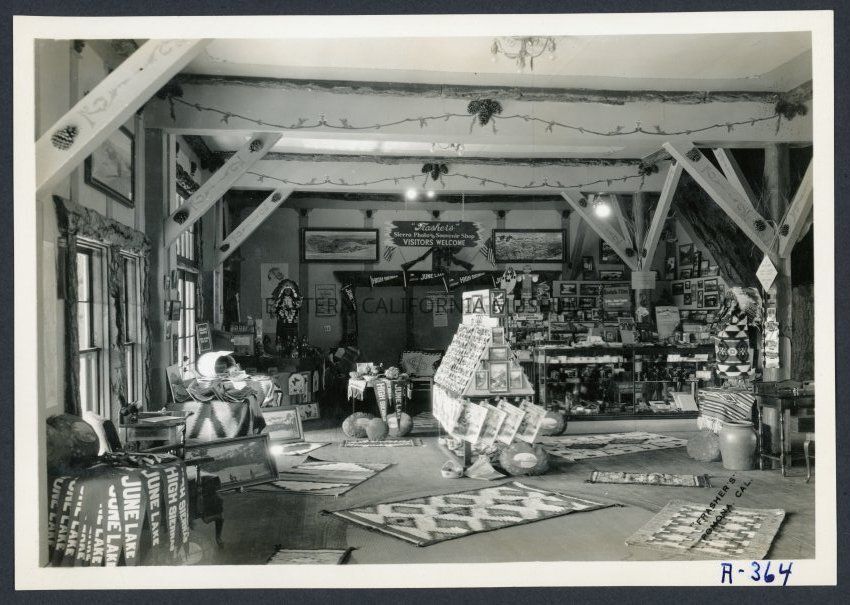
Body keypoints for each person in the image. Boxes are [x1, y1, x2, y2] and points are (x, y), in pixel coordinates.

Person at [268, 267, 302, 355]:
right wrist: (273, 310)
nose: (287, 291)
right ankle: (282, 352)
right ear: (283, 290)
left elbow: (299, 304)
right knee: (281, 343)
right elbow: (273, 308)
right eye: (285, 289)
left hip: (292, 324)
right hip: (282, 324)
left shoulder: (295, 300)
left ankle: (293, 351)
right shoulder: (279, 300)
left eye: (289, 289)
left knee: (293, 342)